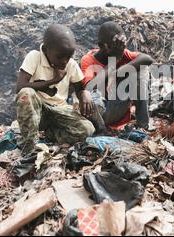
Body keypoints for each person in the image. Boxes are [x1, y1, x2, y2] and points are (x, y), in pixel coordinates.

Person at [15, 24, 95, 155]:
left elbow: (80, 88)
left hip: (59, 110)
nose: (64, 61)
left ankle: (51, 133)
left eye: (68, 57)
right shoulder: (34, 57)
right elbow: (19, 86)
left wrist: (85, 93)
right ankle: (28, 146)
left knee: (87, 131)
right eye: (60, 57)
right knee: (26, 93)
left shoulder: (71, 64)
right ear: (46, 49)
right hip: (38, 112)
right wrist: (53, 81)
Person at [81, 21, 154, 132]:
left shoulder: (120, 52)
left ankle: (143, 126)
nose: (120, 49)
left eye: (122, 46)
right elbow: (89, 88)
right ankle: (103, 130)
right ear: (101, 45)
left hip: (117, 107)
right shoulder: (88, 60)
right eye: (115, 46)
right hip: (100, 114)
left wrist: (119, 72)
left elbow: (147, 59)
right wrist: (113, 61)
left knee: (141, 70)